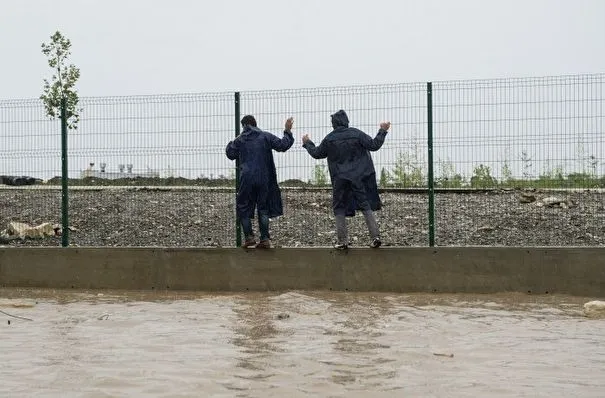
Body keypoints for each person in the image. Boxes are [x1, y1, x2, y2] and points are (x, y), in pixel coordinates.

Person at [302, 110, 390, 249]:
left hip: (339, 178)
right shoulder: (357, 134)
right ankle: (376, 237)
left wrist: (307, 143)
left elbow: (317, 153)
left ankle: (342, 241)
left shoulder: (329, 139)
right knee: (365, 205)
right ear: (346, 121)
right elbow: (374, 145)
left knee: (339, 208)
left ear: (333, 124)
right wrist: (382, 131)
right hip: (358, 177)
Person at [226, 115, 294, 248]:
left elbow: (230, 154)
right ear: (255, 124)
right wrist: (287, 131)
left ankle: (249, 238)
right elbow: (283, 145)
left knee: (243, 207)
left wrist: (230, 144)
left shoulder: (240, 140)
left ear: (244, 126)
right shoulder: (265, 136)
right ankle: (264, 239)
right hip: (264, 178)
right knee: (263, 208)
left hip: (246, 178)